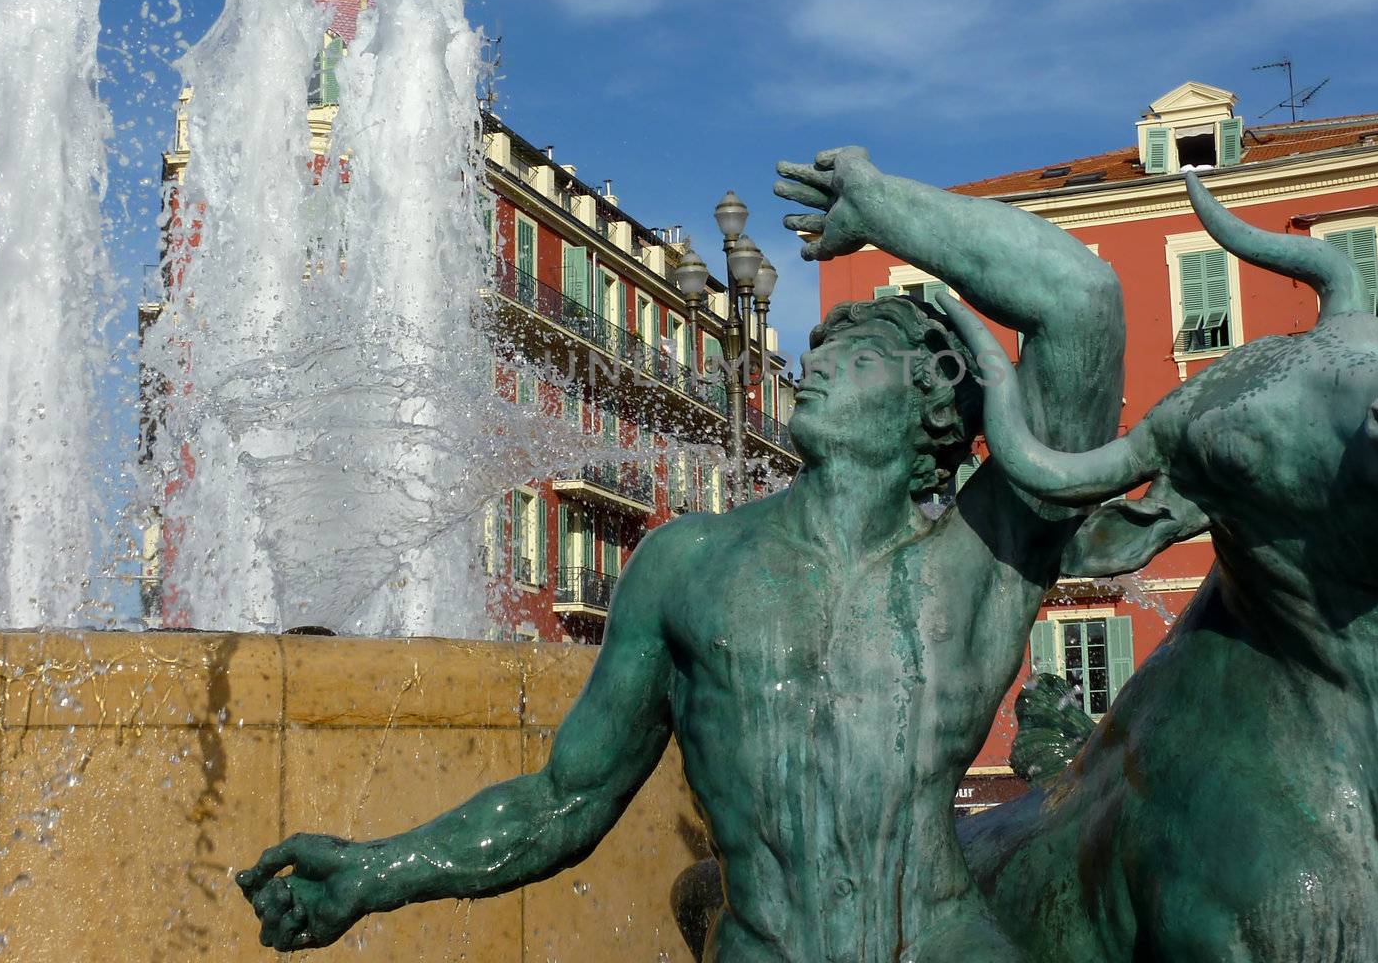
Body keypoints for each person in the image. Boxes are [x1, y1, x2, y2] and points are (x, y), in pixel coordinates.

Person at [237, 146, 1126, 961]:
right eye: (821, 345)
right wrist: (376, 871)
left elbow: (1082, 302)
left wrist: (887, 212)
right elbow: (565, 800)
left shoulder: (980, 561)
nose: (812, 361)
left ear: (929, 409)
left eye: (853, 355)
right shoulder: (685, 565)